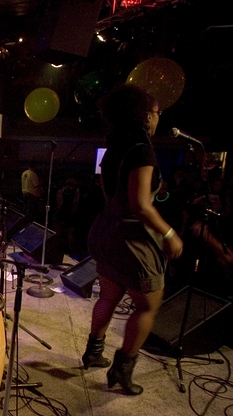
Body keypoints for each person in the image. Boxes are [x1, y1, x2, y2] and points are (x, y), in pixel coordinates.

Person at [84, 84, 183, 396]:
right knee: (148, 305)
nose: (158, 118)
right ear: (144, 115)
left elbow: (113, 191)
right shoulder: (142, 148)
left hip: (105, 230)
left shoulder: (114, 145)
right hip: (130, 238)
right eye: (156, 112)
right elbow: (140, 204)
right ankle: (122, 369)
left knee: (108, 294)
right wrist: (169, 233)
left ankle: (93, 353)